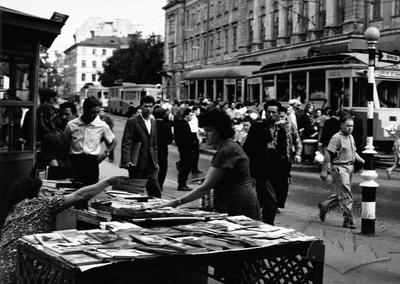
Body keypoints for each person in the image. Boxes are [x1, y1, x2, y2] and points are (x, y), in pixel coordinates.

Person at [0, 175, 127, 284]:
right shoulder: (41, 204)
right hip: (24, 271)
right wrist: (108, 181)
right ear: (35, 194)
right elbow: (81, 195)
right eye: (43, 191)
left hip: (5, 270)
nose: (46, 194)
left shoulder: (15, 210)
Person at [161, 108, 261, 220]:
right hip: (234, 202)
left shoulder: (227, 150)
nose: (205, 134)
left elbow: (206, 187)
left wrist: (176, 202)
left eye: (209, 131)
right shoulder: (228, 146)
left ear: (220, 131)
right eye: (204, 130)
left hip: (238, 205)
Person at [319, 115, 365, 229]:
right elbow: (328, 153)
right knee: (346, 194)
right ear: (341, 126)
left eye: (352, 126)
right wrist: (324, 170)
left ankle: (325, 206)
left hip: (350, 168)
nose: (350, 128)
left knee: (342, 193)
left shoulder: (351, 137)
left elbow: (353, 153)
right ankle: (348, 219)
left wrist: (363, 161)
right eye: (348, 125)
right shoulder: (336, 138)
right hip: (339, 168)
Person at [65, 96, 116, 187]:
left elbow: (113, 141)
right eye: (93, 112)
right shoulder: (72, 124)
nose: (95, 115)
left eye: (97, 112)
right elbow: (65, 143)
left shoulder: (102, 125)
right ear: (85, 109)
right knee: (71, 190)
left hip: (91, 162)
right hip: (74, 161)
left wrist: (105, 153)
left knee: (89, 191)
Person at [243, 101, 280, 225]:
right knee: (270, 200)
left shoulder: (283, 128)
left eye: (273, 112)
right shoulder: (260, 126)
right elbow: (250, 150)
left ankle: (252, 221)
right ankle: (266, 224)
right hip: (262, 171)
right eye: (268, 112)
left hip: (274, 171)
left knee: (262, 199)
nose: (270, 114)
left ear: (279, 113)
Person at [120, 95, 161, 198]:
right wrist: (126, 160)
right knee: (135, 190)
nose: (148, 109)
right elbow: (126, 142)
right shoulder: (132, 121)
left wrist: (156, 161)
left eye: (150, 106)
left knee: (155, 190)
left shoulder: (153, 121)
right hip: (137, 161)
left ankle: (156, 210)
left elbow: (155, 143)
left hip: (151, 162)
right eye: (146, 106)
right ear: (141, 107)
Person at [274, 107, 302, 209]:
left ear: (286, 115)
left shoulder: (290, 126)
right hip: (273, 158)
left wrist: (298, 154)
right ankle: (273, 203)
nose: (281, 118)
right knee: (274, 181)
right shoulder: (273, 126)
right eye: (279, 116)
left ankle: (279, 203)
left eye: (282, 116)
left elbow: (298, 141)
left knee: (283, 182)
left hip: (286, 158)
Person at [174, 108, 195, 191]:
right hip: (186, 148)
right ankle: (182, 184)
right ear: (186, 115)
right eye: (190, 115)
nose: (192, 117)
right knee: (187, 166)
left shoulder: (179, 123)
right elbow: (187, 137)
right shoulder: (184, 124)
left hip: (182, 147)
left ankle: (182, 183)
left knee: (185, 164)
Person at [154, 107, 173, 190]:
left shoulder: (152, 125)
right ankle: (160, 185)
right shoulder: (167, 126)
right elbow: (170, 140)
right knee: (162, 167)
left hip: (153, 149)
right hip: (163, 149)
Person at [189, 105, 203, 174]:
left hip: (192, 136)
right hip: (193, 136)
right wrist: (198, 138)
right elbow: (194, 129)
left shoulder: (192, 117)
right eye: (198, 110)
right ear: (195, 111)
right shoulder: (194, 118)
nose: (199, 112)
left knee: (193, 153)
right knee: (195, 153)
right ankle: (194, 168)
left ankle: (194, 168)